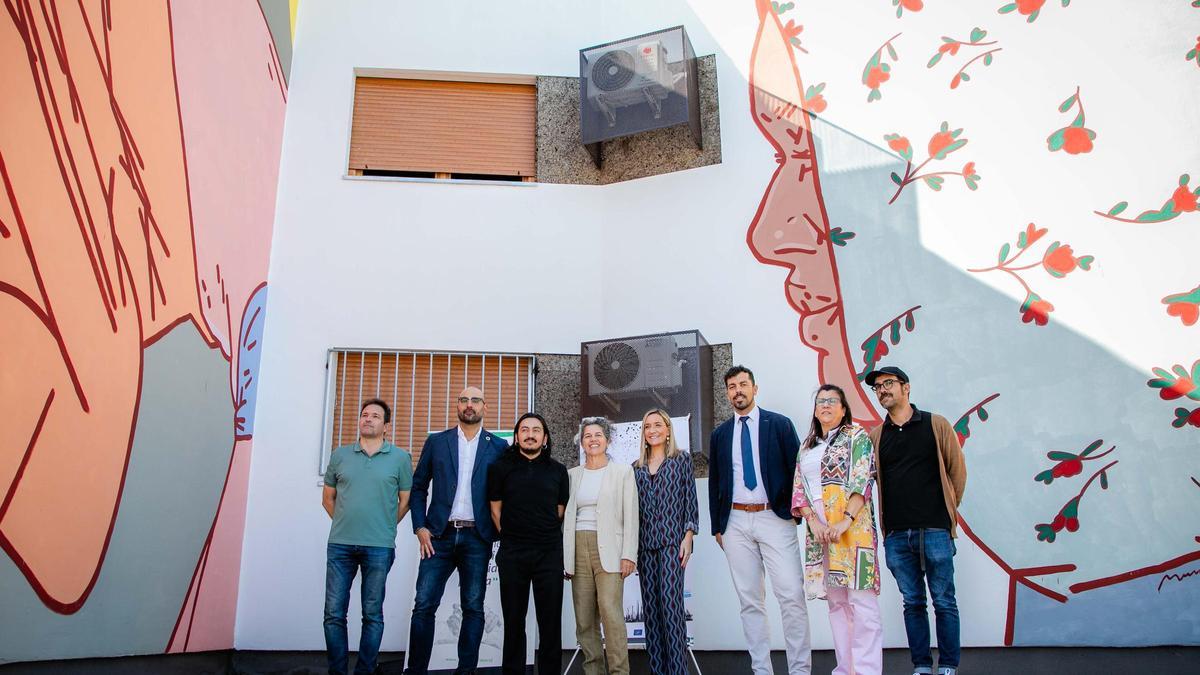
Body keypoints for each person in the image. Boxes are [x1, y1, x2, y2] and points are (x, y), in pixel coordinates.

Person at [709, 365, 811, 675]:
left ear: (755, 388)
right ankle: (762, 670)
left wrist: (797, 512)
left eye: (742, 384)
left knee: (791, 595)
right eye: (731, 386)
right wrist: (718, 527)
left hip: (774, 518)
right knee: (750, 601)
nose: (737, 390)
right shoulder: (720, 434)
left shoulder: (778, 424)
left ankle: (800, 670)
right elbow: (716, 481)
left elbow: (798, 471)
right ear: (727, 393)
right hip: (736, 523)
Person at [864, 366, 966, 675]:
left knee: (944, 601)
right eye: (877, 387)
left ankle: (948, 666)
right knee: (913, 603)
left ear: (906, 388)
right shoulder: (875, 436)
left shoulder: (936, 425)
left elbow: (957, 472)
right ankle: (922, 665)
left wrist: (946, 512)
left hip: (935, 530)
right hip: (897, 535)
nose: (882, 390)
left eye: (888, 383)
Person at [406, 387, 510, 675]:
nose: (469, 405)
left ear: (484, 407)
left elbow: (508, 491)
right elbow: (418, 487)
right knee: (424, 605)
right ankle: (415, 670)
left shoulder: (498, 447)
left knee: (473, 608)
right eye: (464, 400)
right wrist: (420, 526)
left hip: (477, 537)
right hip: (438, 536)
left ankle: (466, 671)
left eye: (475, 400)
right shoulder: (437, 442)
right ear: (457, 405)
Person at [791, 385, 883, 675]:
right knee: (837, 603)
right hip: (820, 534)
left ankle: (867, 670)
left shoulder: (857, 437)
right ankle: (846, 669)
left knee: (861, 602)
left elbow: (862, 479)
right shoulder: (807, 445)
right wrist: (814, 522)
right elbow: (798, 490)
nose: (826, 406)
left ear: (843, 409)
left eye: (832, 401)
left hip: (852, 530)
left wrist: (844, 520)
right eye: (820, 402)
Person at [322, 398, 413, 675]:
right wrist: (346, 522)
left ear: (386, 425)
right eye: (364, 415)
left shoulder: (400, 458)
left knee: (372, 614)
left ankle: (365, 670)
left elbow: (405, 500)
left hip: (379, 546)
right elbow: (328, 499)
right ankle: (337, 671)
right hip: (340, 545)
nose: (368, 419)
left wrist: (385, 526)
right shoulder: (340, 455)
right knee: (334, 614)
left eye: (375, 416)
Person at [487, 413, 570, 675]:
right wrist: (514, 536)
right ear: (516, 436)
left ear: (545, 438)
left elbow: (559, 510)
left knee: (550, 623)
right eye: (525, 429)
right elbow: (495, 510)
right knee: (513, 622)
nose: (530, 434)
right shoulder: (500, 468)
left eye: (536, 430)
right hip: (513, 554)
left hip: (549, 554)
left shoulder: (558, 470)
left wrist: (539, 532)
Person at [562, 417, 639, 675]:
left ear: (607, 440)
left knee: (611, 613)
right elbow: (565, 517)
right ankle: (592, 670)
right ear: (581, 442)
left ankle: (619, 671)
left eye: (598, 435)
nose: (593, 439)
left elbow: (631, 515)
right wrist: (566, 558)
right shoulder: (571, 475)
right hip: (577, 549)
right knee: (584, 619)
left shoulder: (622, 472)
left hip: (611, 550)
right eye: (587, 436)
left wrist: (629, 554)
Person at [633, 409, 699, 675]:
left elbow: (690, 501)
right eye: (647, 426)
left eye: (658, 425)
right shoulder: (635, 469)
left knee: (671, 609)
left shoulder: (681, 460)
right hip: (644, 546)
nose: (652, 430)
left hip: (673, 544)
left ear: (668, 429)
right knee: (651, 612)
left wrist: (689, 536)